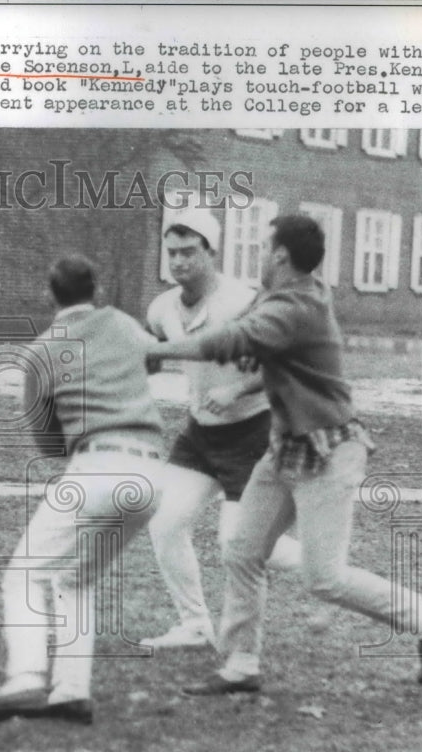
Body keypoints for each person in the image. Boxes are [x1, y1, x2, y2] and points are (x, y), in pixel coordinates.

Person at [149, 214, 422, 693]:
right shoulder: (281, 296)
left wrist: (158, 351)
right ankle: (241, 664)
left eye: (265, 246)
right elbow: (254, 346)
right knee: (242, 549)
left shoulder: (298, 307)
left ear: (281, 255)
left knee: (323, 578)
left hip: (329, 454)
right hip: (283, 448)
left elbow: (233, 339)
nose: (259, 253)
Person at [0, 255, 167, 725]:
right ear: (95, 289)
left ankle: (26, 678)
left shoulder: (40, 351)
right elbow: (152, 360)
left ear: (49, 293)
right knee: (75, 579)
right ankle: (71, 692)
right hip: (153, 473)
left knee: (24, 574)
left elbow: (47, 439)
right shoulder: (121, 322)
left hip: (97, 462)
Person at [142, 208, 317, 649]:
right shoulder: (161, 307)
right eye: (172, 253)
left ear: (212, 251)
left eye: (188, 252)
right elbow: (151, 357)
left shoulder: (242, 301)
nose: (178, 262)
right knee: (164, 521)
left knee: (244, 545)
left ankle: (327, 565)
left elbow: (285, 362)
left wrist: (238, 388)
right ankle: (195, 623)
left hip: (252, 433)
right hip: (201, 435)